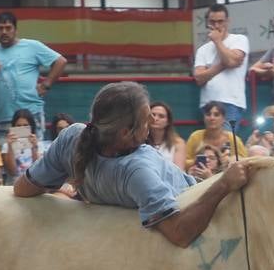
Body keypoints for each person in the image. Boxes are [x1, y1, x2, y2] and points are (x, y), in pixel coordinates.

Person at [14, 82, 250, 249]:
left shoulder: (71, 138)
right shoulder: (138, 171)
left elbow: (23, 188)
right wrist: (223, 184)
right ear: (126, 133)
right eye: (146, 118)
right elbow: (180, 234)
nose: (151, 122)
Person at [0, 11, 67, 140]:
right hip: (3, 117)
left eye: (8, 28)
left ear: (15, 30)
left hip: (28, 115)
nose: (4, 32)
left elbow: (60, 61)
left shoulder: (32, 46)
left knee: (26, 154)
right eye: (0, 28)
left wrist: (46, 84)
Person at [193, 3, 250, 126]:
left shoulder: (239, 39)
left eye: (220, 21)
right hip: (207, 103)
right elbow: (199, 78)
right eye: (213, 22)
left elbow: (233, 61)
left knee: (227, 142)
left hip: (231, 102)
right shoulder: (202, 49)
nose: (217, 25)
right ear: (207, 22)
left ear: (228, 21)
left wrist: (218, 41)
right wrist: (223, 64)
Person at [185, 102, 249, 176]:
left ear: (224, 119)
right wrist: (197, 161)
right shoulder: (195, 136)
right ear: (204, 118)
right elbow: (184, 162)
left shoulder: (233, 139)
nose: (212, 118)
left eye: (216, 115)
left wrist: (232, 160)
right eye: (208, 114)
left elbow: (246, 161)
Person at [0, 108, 43, 183]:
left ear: (31, 127)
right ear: (14, 127)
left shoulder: (38, 145)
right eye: (18, 126)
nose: (22, 128)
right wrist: (10, 146)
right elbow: (12, 172)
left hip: (33, 184)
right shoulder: (6, 146)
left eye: (25, 125)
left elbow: (38, 170)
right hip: (13, 184)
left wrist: (34, 147)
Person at [146, 101, 187, 170]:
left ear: (168, 122)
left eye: (161, 116)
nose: (156, 119)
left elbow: (179, 172)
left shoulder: (178, 143)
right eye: (153, 115)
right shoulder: (139, 141)